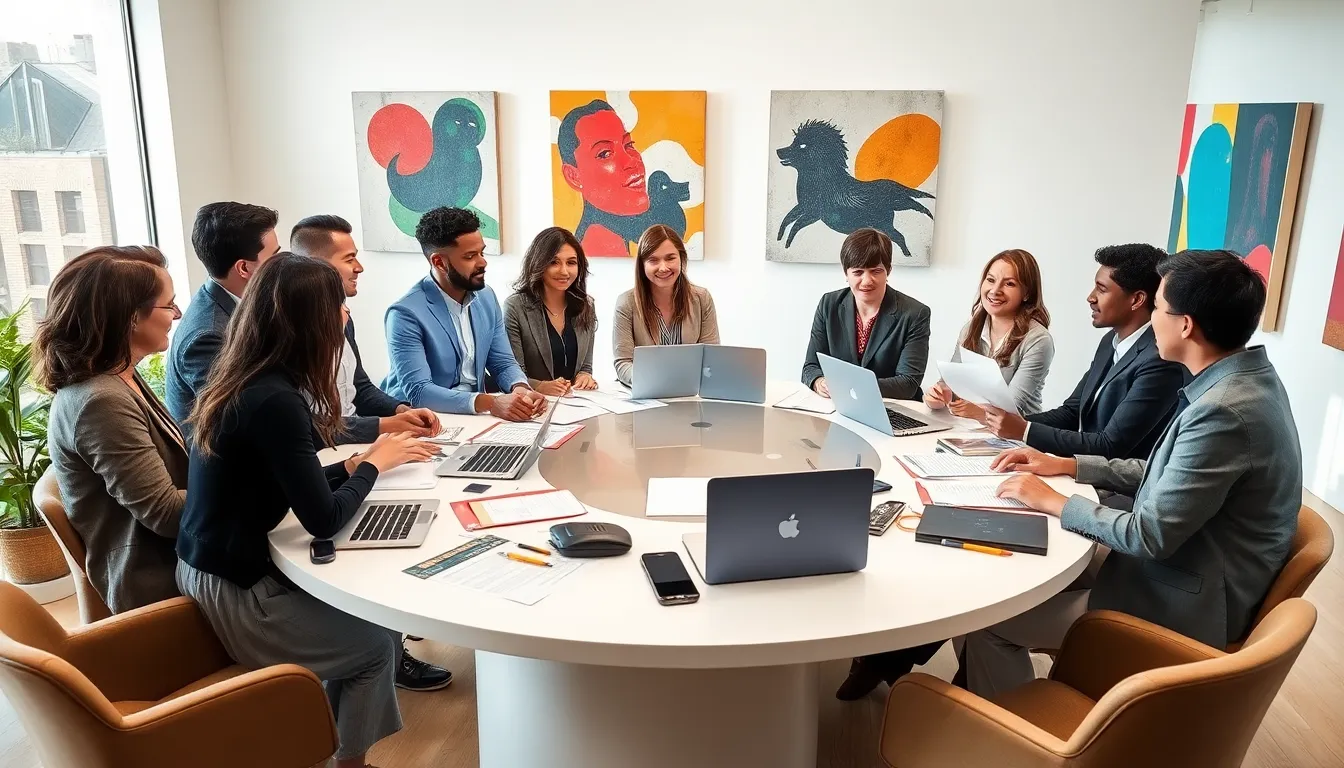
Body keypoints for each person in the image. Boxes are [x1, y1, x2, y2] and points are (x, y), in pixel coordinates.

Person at [970, 249, 1301, 699]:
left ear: (1185, 325)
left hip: (1180, 596)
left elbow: (1149, 536)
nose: (1150, 319)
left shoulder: (1224, 410)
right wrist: (1069, 465)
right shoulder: (1242, 379)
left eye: (1159, 308)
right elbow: (1168, 469)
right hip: (1186, 561)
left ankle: (1024, 734)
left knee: (988, 623)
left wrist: (1057, 500)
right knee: (1019, 562)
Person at [176, 255, 442, 768]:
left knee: (378, 620)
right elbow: (322, 519)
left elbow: (279, 484)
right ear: (308, 321)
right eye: (336, 307)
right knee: (376, 649)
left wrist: (355, 465)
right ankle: (348, 761)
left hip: (212, 567)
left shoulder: (249, 378)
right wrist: (373, 468)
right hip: (237, 591)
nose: (344, 317)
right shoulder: (275, 399)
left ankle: (331, 742)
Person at [36, 246, 187, 614]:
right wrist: (247, 483)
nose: (178, 315)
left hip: (182, 563)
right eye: (170, 305)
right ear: (132, 318)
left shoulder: (119, 377)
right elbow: (166, 515)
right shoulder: (100, 400)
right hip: (163, 589)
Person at [980, 244, 1186, 460]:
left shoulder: (1159, 360)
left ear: (1136, 300)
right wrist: (1010, 424)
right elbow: (1072, 412)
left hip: (1115, 485)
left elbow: (1110, 445)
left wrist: (1024, 430)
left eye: (1102, 289)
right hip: (1083, 467)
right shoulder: (1110, 341)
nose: (1091, 297)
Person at [383, 207, 546, 421]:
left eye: (482, 252)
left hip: (474, 417)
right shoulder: (405, 314)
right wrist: (491, 403)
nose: (482, 262)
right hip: (421, 418)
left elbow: (503, 362)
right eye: (470, 256)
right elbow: (419, 391)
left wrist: (520, 389)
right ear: (439, 262)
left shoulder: (486, 297)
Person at [290, 214, 441, 444]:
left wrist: (400, 410)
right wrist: (383, 425)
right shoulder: (287, 331)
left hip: (353, 441)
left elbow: (360, 388)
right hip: (319, 454)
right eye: (349, 259)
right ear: (315, 266)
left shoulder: (344, 318)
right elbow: (306, 424)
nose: (359, 268)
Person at [165, 201, 281, 426]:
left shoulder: (243, 303)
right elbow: (256, 418)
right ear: (244, 268)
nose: (281, 264)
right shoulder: (206, 337)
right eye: (274, 257)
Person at [802, 228, 930, 400]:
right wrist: (819, 382)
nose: (867, 281)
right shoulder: (829, 304)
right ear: (846, 273)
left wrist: (850, 386)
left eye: (876, 271)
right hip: (840, 407)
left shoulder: (915, 314)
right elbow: (810, 367)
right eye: (858, 272)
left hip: (892, 408)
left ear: (888, 271)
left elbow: (908, 384)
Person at [924, 249, 1054, 418]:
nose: (995, 290)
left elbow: (1013, 407)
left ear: (1027, 293)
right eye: (991, 280)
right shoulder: (971, 329)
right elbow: (949, 385)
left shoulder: (1038, 340)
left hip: (1016, 438)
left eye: (1009, 284)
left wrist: (978, 412)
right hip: (967, 429)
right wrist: (937, 396)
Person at [612, 224, 720, 386]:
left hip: (689, 392)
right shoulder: (626, 303)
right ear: (642, 265)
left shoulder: (702, 299)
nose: (663, 267)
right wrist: (651, 381)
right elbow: (623, 363)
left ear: (681, 259)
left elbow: (711, 357)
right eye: (653, 260)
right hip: (646, 393)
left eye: (670, 258)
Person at [504, 226, 599, 396]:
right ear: (538, 264)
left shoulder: (586, 306)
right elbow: (510, 372)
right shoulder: (516, 307)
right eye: (553, 262)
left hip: (576, 404)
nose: (564, 271)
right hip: (533, 404)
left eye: (571, 262)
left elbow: (585, 366)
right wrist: (540, 386)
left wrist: (585, 376)